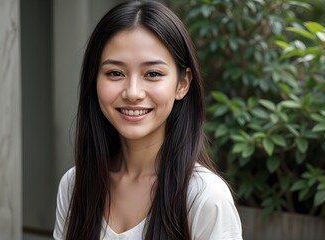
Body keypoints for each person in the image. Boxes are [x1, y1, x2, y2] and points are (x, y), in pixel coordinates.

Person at [53, 1, 242, 239]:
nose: (133, 92)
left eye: (153, 74)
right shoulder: (75, 185)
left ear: (182, 84)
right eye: (115, 73)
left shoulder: (204, 197)